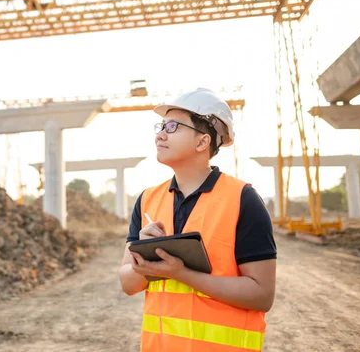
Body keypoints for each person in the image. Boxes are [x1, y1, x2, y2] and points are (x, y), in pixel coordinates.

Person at [118, 88, 277, 352]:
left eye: (172, 126)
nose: (160, 134)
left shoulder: (243, 199)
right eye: (160, 126)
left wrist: (182, 274)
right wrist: (143, 262)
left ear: (202, 142)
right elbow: (127, 283)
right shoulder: (147, 200)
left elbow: (261, 295)